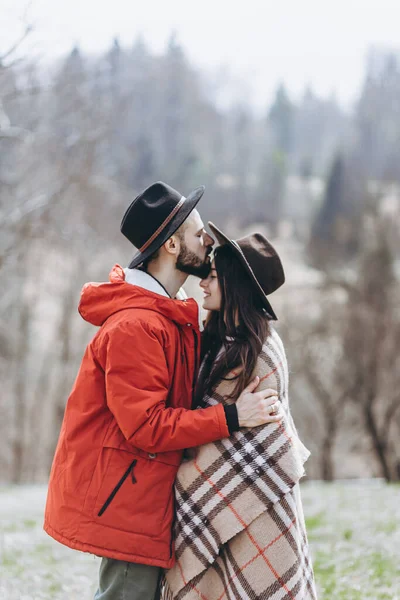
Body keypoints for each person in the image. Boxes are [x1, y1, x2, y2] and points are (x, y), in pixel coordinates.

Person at [43, 182, 284, 600]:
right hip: (127, 501)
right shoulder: (137, 325)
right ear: (172, 245)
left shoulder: (166, 315)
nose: (206, 240)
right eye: (196, 233)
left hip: (142, 495)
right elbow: (147, 427)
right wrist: (232, 417)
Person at [163, 222, 317, 600]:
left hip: (260, 501)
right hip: (220, 498)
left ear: (235, 286)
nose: (203, 284)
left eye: (213, 277)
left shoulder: (259, 351)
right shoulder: (216, 342)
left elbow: (261, 440)